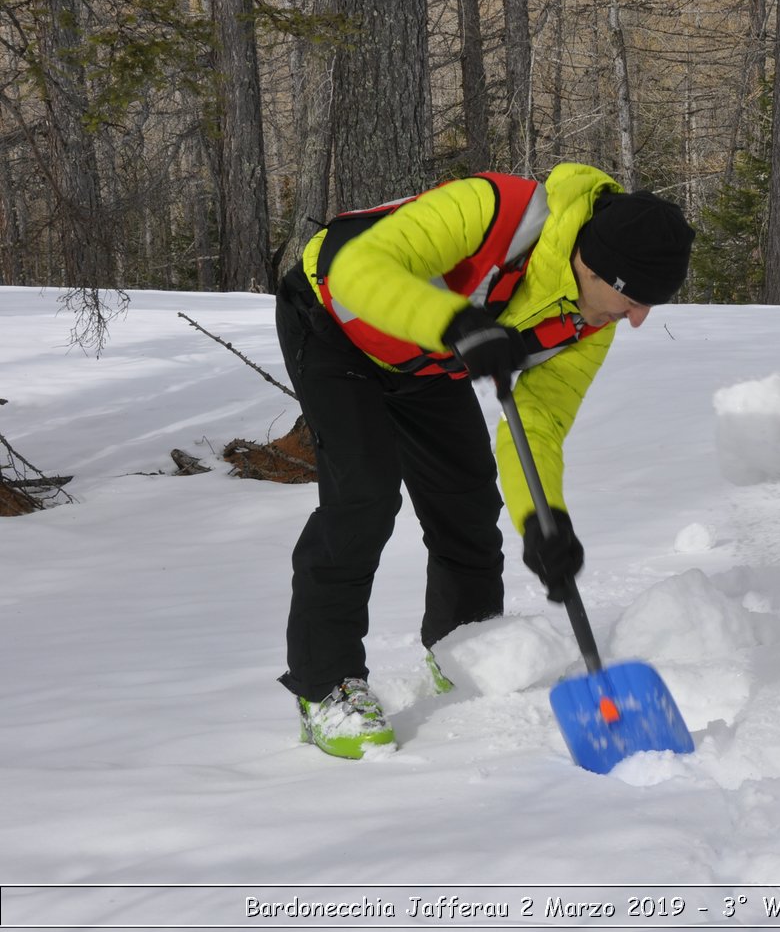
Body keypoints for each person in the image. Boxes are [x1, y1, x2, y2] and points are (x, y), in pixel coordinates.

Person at [274, 165, 694, 758]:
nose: (637, 319)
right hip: (334, 325)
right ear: (593, 266)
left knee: (467, 499)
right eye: (632, 300)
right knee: (364, 496)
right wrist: (454, 323)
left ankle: (464, 643)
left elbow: (538, 423)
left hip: (429, 360)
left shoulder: (586, 321)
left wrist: (541, 520)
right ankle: (325, 687)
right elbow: (357, 272)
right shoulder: (498, 210)